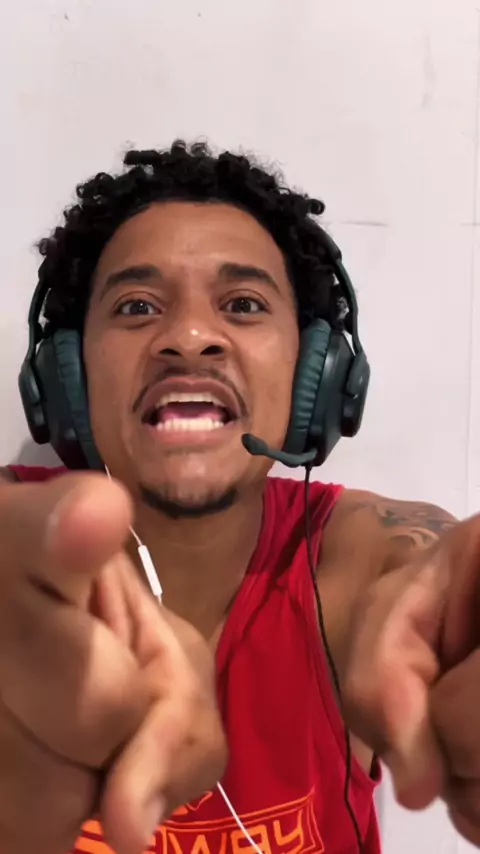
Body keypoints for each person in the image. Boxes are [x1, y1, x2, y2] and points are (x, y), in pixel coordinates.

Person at [1, 141, 479, 854]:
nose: (190, 338)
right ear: (67, 378)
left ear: (317, 373)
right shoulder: (19, 544)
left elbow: (438, 575)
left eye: (244, 305)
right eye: (137, 306)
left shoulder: (357, 554)